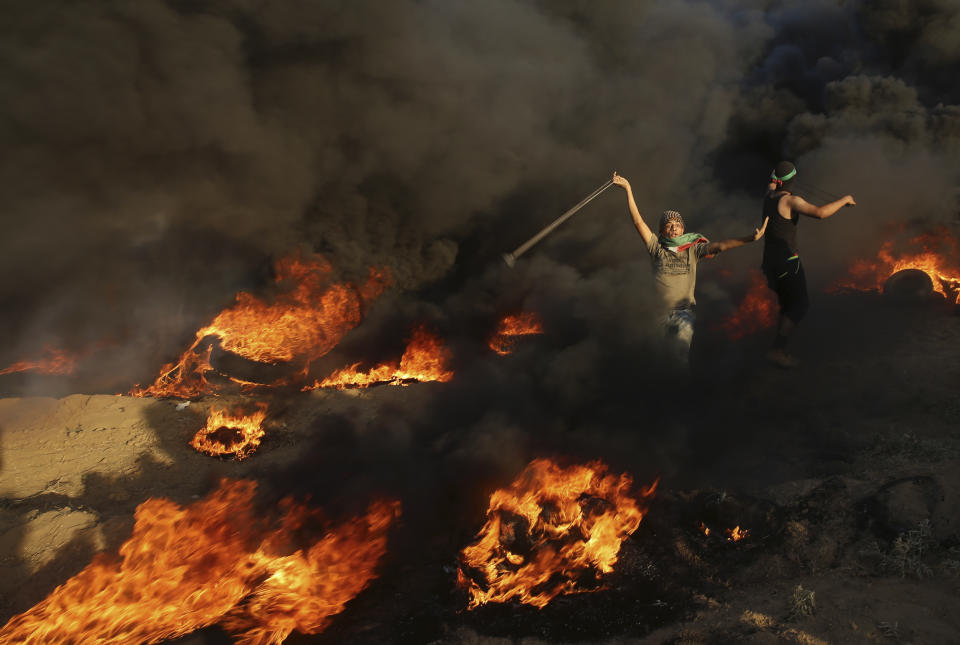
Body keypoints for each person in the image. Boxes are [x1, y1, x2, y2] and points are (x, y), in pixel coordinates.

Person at [612, 171, 767, 365]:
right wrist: (628, 189)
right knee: (655, 360)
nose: (674, 228)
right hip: (657, 315)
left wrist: (749, 239)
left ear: (683, 230)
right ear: (662, 231)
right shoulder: (656, 247)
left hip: (682, 314)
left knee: (678, 358)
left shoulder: (693, 250)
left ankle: (680, 390)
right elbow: (638, 222)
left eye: (677, 224)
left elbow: (720, 246)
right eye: (669, 225)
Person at [762, 160, 855, 368]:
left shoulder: (768, 195)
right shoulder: (789, 201)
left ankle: (778, 345)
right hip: (787, 263)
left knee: (787, 304)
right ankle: (777, 350)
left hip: (769, 262)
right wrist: (844, 200)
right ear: (792, 180)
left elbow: (770, 184)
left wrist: (772, 178)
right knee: (799, 305)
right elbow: (820, 213)